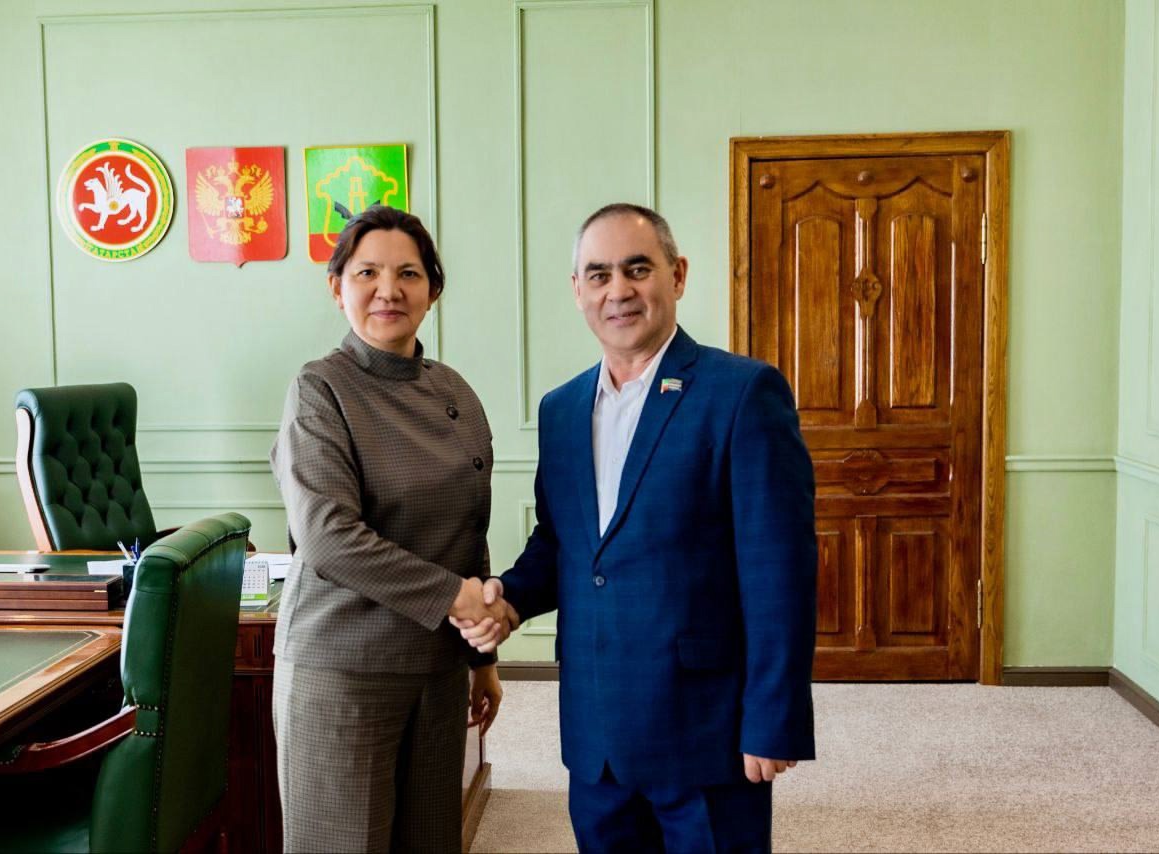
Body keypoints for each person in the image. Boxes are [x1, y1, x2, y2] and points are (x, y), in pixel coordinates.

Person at [456, 203, 818, 852]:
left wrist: (775, 717)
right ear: (578, 290)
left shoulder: (742, 393)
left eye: (637, 269)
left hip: (707, 734)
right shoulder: (562, 409)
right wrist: (508, 601)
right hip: (596, 737)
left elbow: (780, 568)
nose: (617, 290)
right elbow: (564, 544)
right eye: (598, 275)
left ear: (677, 276)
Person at [270, 205, 507, 853]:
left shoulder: (454, 390)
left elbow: (468, 529)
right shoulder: (320, 389)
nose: (388, 290)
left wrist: (481, 660)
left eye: (408, 273)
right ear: (337, 287)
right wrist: (457, 599)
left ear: (433, 291)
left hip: (436, 667)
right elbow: (327, 536)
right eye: (367, 272)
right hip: (343, 669)